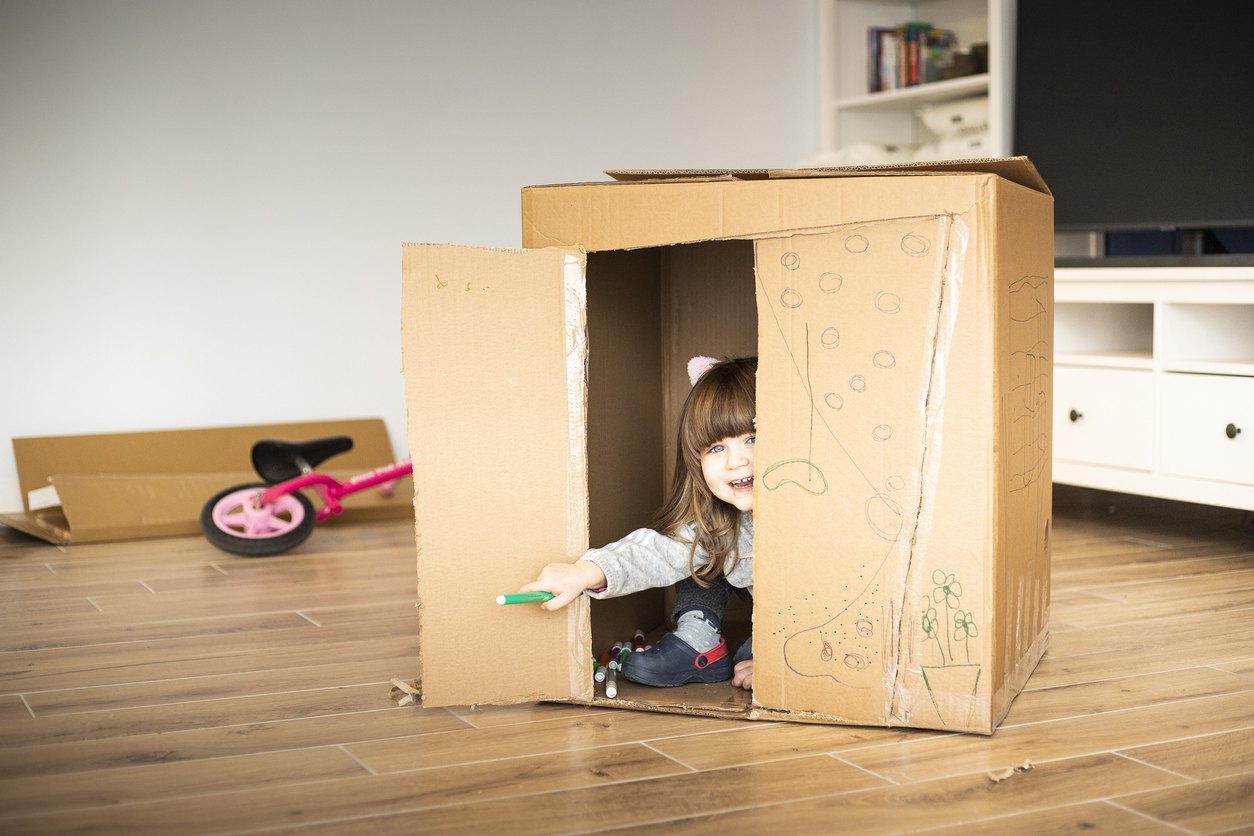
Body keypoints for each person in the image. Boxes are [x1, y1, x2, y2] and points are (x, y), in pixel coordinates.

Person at [519, 355, 757, 691]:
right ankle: (698, 640)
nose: (737, 461)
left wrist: (782, 659)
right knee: (694, 554)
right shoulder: (720, 521)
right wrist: (585, 572)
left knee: (761, 656)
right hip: (761, 602)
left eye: (753, 439)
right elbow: (656, 553)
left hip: (809, 617)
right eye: (717, 447)